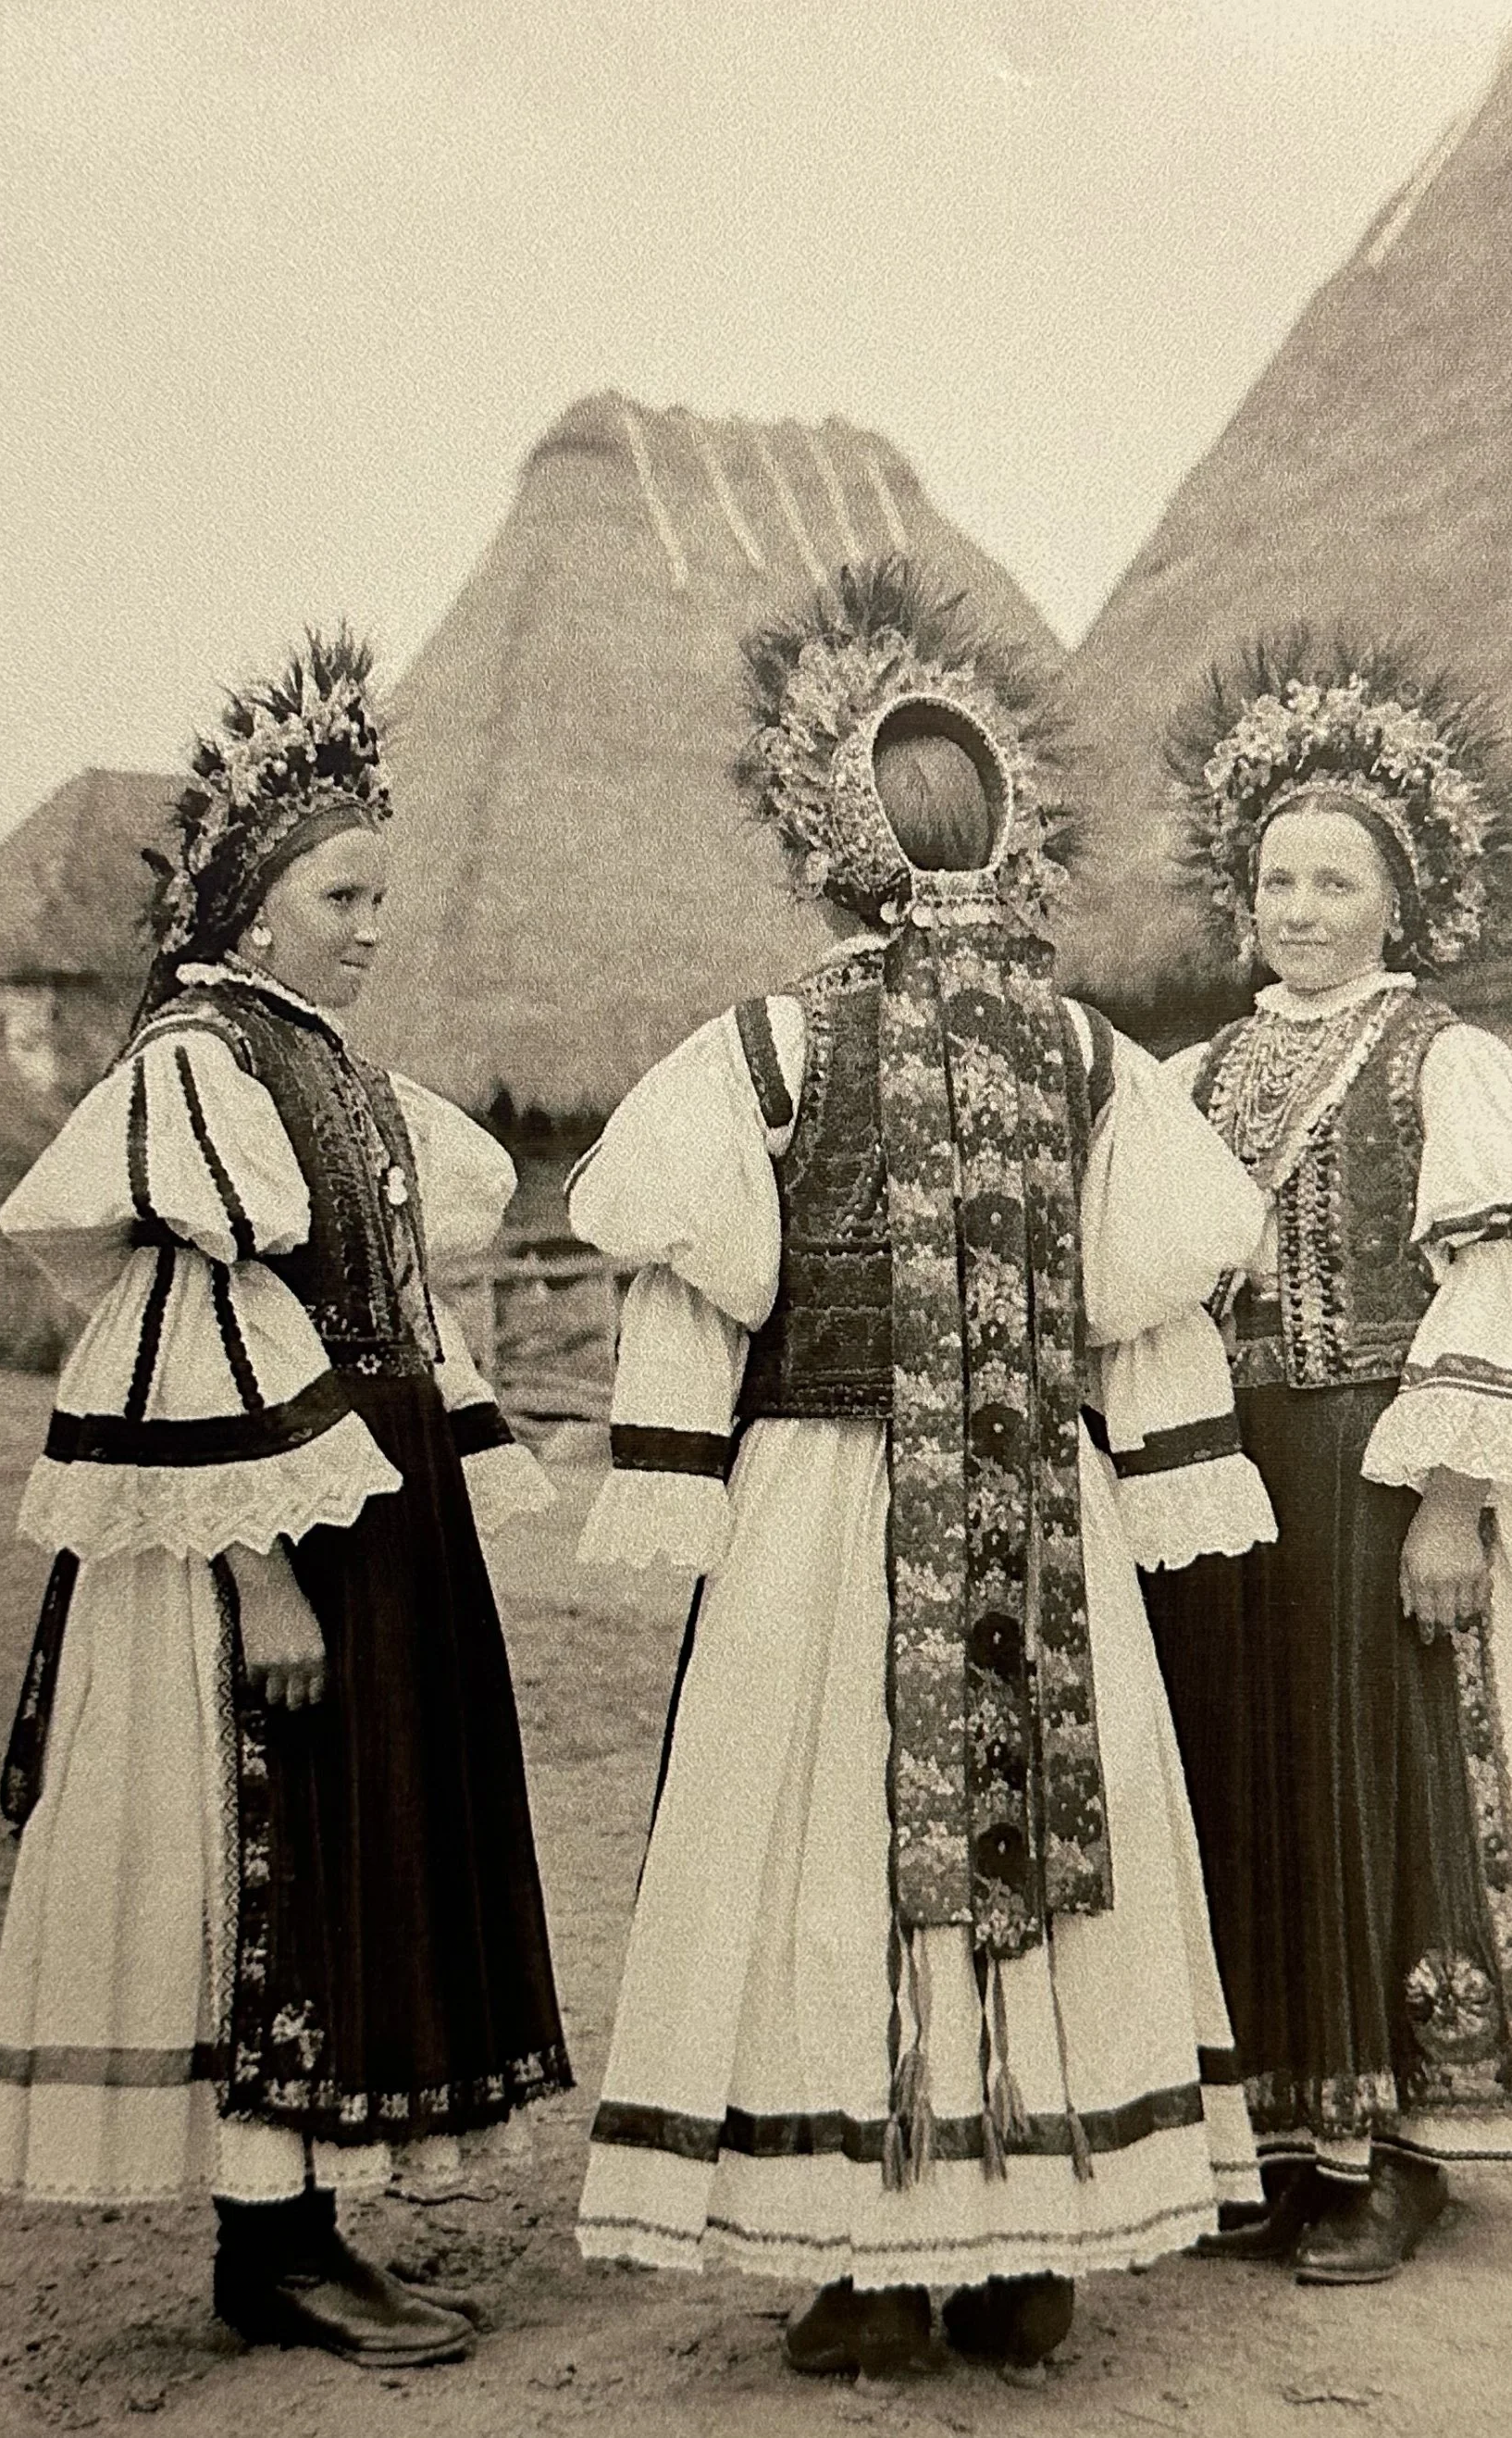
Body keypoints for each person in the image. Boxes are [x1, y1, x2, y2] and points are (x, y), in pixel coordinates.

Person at [569, 562, 1277, 2382]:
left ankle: (872, 2264)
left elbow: (657, 1229)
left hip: (831, 1513)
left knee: (833, 1856)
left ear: (828, 846)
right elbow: (1171, 1258)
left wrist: (676, 1465)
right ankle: (1027, 2257)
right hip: (1039, 1520)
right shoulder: (1084, 1050)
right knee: (1031, 1862)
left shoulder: (774, 1045)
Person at [0, 629, 570, 2368]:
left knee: (353, 1844)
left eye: (380, 895)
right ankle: (272, 2242)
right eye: (339, 894)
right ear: (251, 904)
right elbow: (192, 1326)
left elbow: (388, 1296)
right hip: (276, 1530)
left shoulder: (331, 1067)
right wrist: (262, 1582)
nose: (370, 925)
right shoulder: (202, 1064)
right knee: (273, 1860)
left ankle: (300, 2228)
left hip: (370, 1502)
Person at [1146, 635, 1512, 2285]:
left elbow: (1500, 1282)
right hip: (1229, 1474)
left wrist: (1448, 1504)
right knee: (1247, 1775)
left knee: (1382, 1781)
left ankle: (1404, 2145)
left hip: (1379, 1462)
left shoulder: (1446, 1061)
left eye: (1334, 879)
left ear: (1396, 900)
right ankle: (1283, 2144)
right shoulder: (1194, 1076)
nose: (1297, 907)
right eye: (1275, 877)